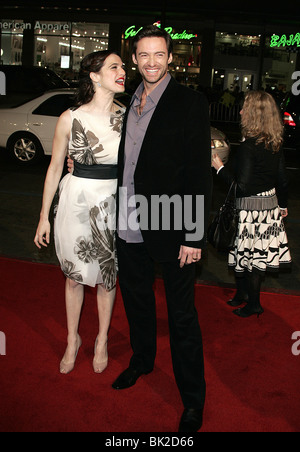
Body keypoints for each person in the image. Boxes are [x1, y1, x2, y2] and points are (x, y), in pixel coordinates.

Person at [112, 25, 212, 432]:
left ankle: (193, 401)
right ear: (134, 59)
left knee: (181, 314)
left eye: (159, 54)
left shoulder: (189, 103)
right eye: (143, 55)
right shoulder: (128, 101)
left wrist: (194, 234)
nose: (151, 62)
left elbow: (198, 173)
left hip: (171, 221)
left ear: (170, 58)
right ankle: (142, 360)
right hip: (128, 219)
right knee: (136, 300)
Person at [34, 50, 126, 374]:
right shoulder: (69, 118)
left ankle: (101, 339)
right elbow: (55, 167)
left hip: (113, 203)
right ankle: (72, 339)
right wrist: (44, 216)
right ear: (94, 76)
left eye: (123, 66)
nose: (122, 71)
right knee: (73, 277)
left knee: (107, 276)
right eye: (114, 66)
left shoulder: (128, 117)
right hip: (75, 201)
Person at [212, 90, 292, 318]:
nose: (240, 111)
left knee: (249, 256)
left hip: (250, 210)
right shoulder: (273, 141)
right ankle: (242, 295)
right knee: (249, 254)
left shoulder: (249, 146)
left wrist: (219, 167)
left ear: (254, 115)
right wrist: (283, 205)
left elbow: (242, 187)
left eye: (244, 108)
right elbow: (282, 179)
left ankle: (253, 303)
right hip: (269, 207)